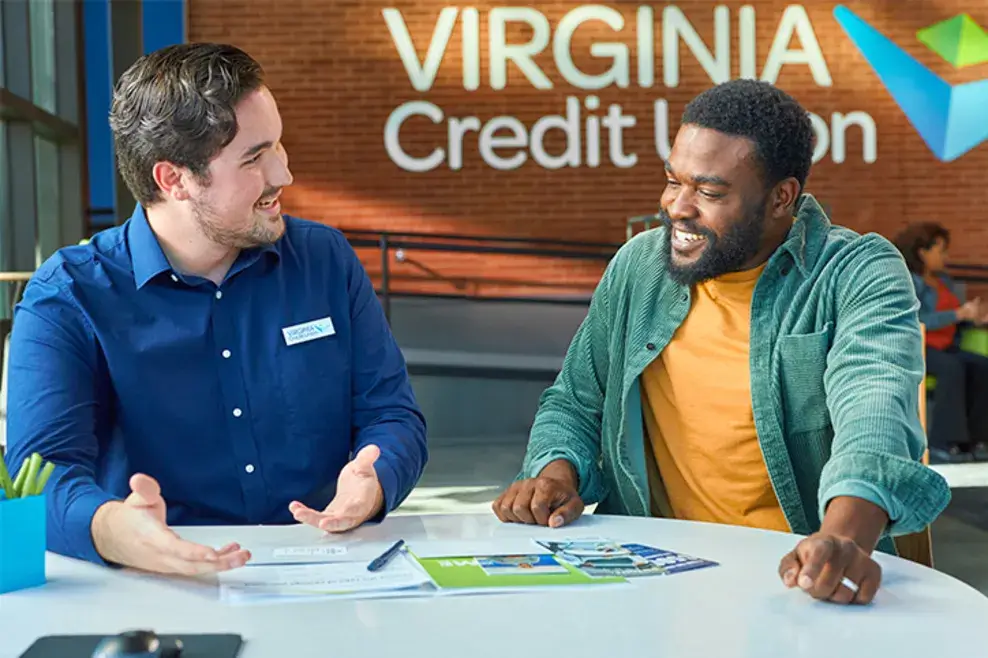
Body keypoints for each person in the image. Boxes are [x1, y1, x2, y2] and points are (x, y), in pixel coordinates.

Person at [492, 79, 950, 606]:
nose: (677, 207)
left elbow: (875, 411)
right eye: (672, 181)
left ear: (782, 197)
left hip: (792, 580)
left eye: (709, 192)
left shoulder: (856, 271)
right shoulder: (639, 267)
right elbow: (576, 401)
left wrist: (840, 540)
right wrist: (555, 475)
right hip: (649, 577)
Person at [4, 43, 427, 575]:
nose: (283, 174)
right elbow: (43, 475)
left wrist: (376, 480)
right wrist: (112, 529)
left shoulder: (325, 259)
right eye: (254, 157)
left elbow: (391, 414)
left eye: (278, 146)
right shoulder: (67, 295)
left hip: (330, 569)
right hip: (154, 585)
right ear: (173, 179)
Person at [893, 221, 988, 462]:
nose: (945, 256)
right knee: (952, 368)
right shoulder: (910, 281)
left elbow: (955, 316)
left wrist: (974, 318)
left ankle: (976, 441)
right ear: (922, 252)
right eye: (941, 250)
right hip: (921, 348)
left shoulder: (943, 281)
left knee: (981, 365)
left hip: (946, 347)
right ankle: (941, 443)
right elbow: (916, 318)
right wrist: (958, 314)